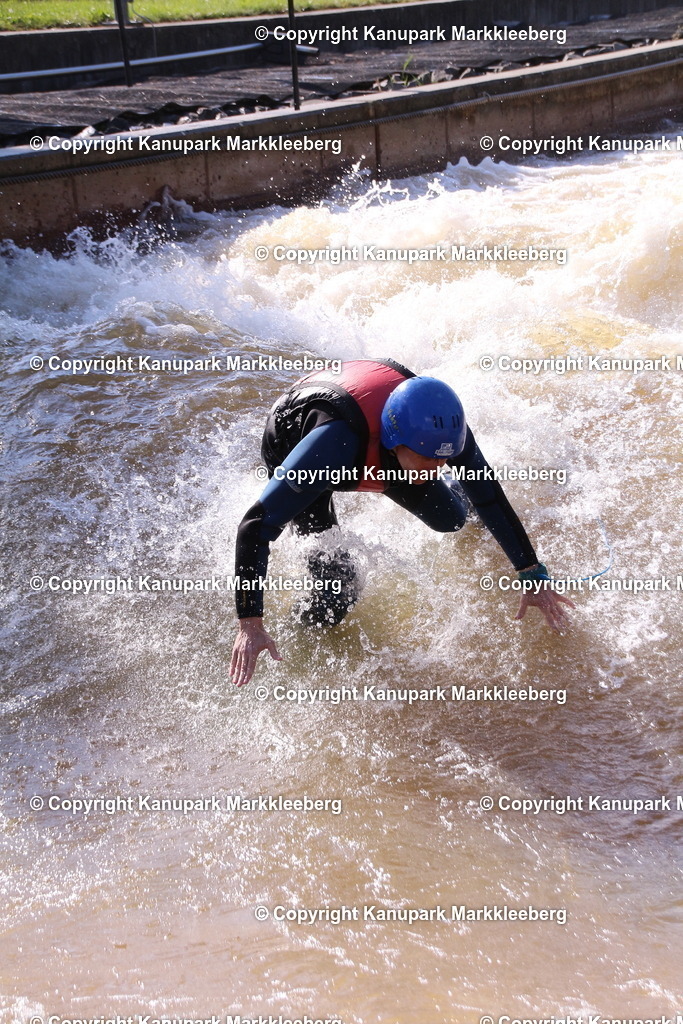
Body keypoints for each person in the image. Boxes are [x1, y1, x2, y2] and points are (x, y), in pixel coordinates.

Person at [230, 358, 574, 687]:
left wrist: (531, 572)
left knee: (452, 518)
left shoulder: (443, 430)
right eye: (427, 459)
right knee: (339, 587)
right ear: (393, 443)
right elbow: (254, 526)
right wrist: (250, 623)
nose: (437, 467)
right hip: (298, 432)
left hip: (377, 415)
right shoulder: (334, 447)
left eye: (445, 459)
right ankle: (293, 646)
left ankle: (450, 494)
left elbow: (490, 497)